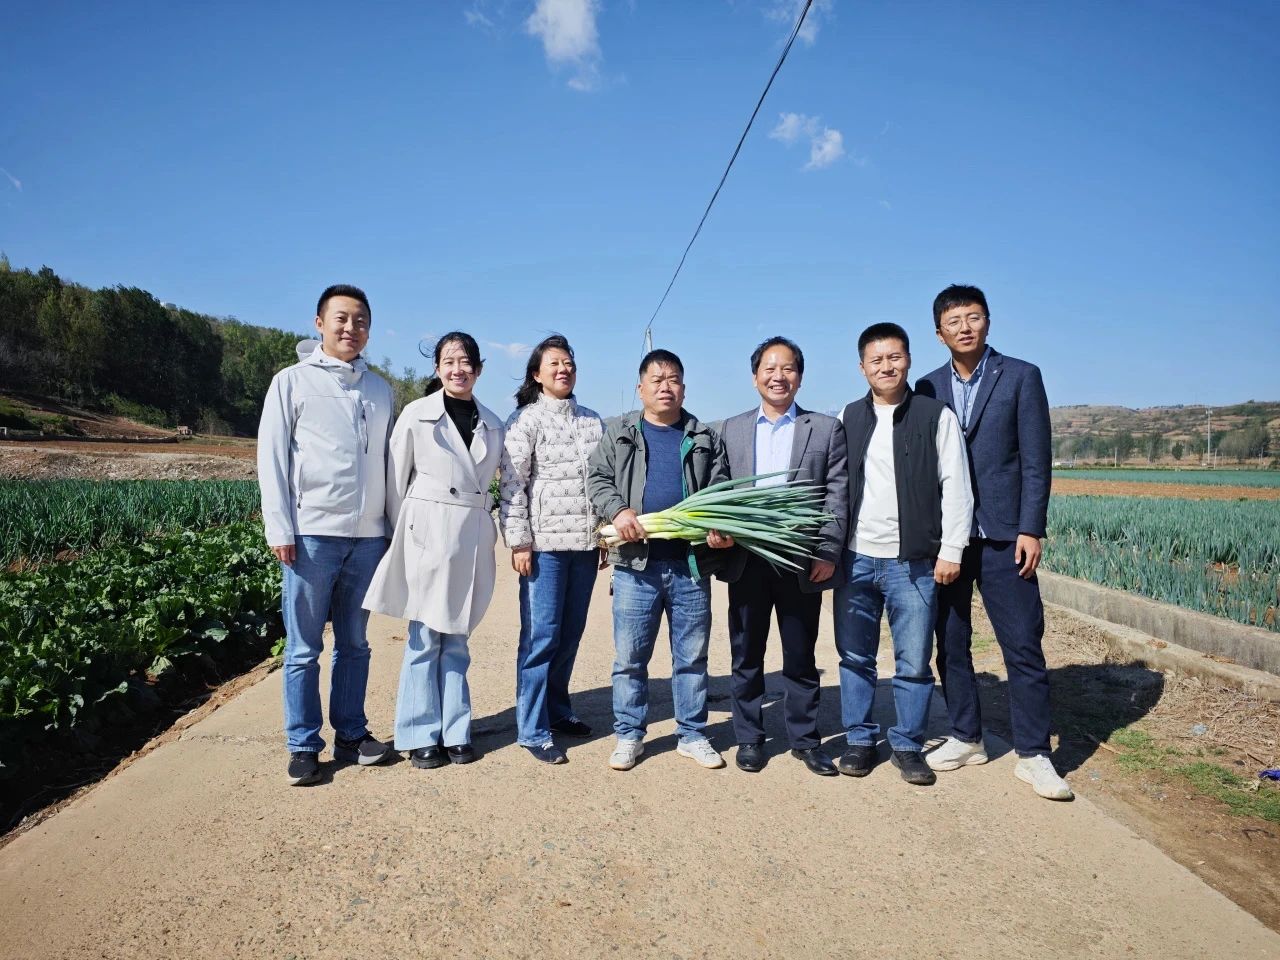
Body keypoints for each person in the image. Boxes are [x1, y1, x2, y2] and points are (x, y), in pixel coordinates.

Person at [916, 284, 1073, 800]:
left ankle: (1034, 754)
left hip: (1007, 536)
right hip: (950, 539)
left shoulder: (1021, 376)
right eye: (954, 321)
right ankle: (967, 736)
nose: (965, 327)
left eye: (974, 317)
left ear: (987, 321)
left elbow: (1036, 460)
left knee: (1022, 643)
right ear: (939, 333)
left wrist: (1032, 527)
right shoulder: (927, 385)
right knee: (950, 641)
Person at [257, 284, 395, 786]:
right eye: (341, 318)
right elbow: (271, 457)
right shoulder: (291, 382)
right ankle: (303, 745)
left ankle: (352, 735)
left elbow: (388, 462)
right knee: (302, 648)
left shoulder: (379, 389)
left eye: (360, 320)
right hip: (312, 534)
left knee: (355, 643)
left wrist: (391, 527)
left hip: (368, 537)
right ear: (319, 323)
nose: (350, 328)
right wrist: (280, 526)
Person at [832, 322, 973, 786]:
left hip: (912, 562)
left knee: (913, 661)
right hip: (855, 557)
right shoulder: (849, 416)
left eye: (894, 357)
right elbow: (834, 485)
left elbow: (957, 486)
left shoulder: (935, 415)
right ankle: (859, 739)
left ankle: (908, 745)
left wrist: (951, 549)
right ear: (862, 367)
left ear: (908, 360)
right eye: (876, 360)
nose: (886, 367)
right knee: (855, 656)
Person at [586, 349, 735, 772]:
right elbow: (597, 478)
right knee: (630, 659)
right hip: (636, 566)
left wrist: (718, 526)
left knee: (691, 658)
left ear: (683, 388)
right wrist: (618, 511)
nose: (665, 386)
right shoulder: (620, 433)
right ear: (641, 388)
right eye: (656, 379)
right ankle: (629, 734)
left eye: (673, 379)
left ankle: (692, 734)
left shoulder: (704, 436)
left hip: (690, 566)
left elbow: (721, 488)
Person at [362, 332, 505, 769]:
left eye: (466, 361)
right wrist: (399, 533)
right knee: (424, 636)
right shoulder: (416, 414)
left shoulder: (493, 423)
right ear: (438, 369)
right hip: (425, 529)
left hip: (470, 533)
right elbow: (395, 479)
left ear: (478, 369)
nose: (458, 369)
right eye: (449, 361)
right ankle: (420, 733)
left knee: (457, 637)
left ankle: (456, 731)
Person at [716, 337, 847, 776]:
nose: (778, 376)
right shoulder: (732, 429)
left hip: (800, 560)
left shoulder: (824, 428)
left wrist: (827, 549)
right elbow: (719, 486)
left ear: (800, 377)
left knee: (800, 655)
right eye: (769, 369)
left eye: (787, 368)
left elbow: (836, 493)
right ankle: (749, 738)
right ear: (755, 377)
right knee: (746, 654)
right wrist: (719, 530)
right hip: (747, 558)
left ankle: (805, 741)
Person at [499, 335, 606, 765]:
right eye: (555, 363)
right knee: (541, 637)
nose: (564, 369)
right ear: (537, 375)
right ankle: (532, 728)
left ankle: (559, 710)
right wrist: (519, 541)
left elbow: (603, 482)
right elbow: (512, 484)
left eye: (569, 362)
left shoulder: (592, 421)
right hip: (544, 547)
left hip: (584, 546)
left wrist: (602, 536)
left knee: (570, 634)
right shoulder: (525, 420)